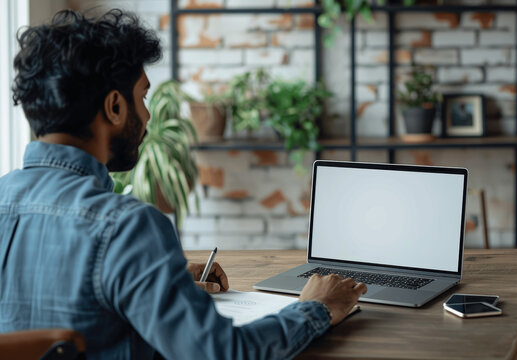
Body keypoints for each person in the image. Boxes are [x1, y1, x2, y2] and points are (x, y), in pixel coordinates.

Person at [0, 9, 367, 360]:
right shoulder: (126, 228)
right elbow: (225, 354)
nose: (146, 115)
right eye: (142, 97)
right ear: (114, 107)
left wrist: (150, 278)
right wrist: (316, 308)